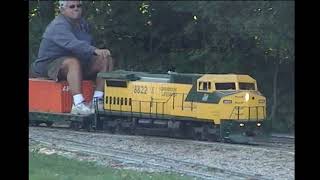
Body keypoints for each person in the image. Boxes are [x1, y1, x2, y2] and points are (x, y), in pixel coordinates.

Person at [30, 0, 114, 115]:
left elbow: (87, 46)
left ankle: (97, 101)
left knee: (105, 58)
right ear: (62, 9)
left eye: (79, 6)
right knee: (72, 62)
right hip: (49, 65)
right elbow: (72, 43)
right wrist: (94, 50)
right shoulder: (58, 25)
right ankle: (78, 104)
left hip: (77, 63)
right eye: (72, 6)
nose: (76, 8)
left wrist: (99, 52)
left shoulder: (83, 24)